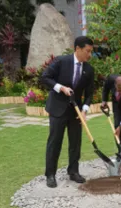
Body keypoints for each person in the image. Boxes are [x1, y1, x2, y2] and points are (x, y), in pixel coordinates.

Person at [41, 36, 95, 188]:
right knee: (55, 142)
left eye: (91, 51)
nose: (89, 55)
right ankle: (50, 174)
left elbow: (89, 93)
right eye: (87, 51)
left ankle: (73, 171)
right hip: (58, 109)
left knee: (75, 143)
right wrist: (61, 88)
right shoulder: (61, 61)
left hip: (76, 112)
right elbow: (45, 77)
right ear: (77, 48)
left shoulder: (89, 69)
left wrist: (84, 110)